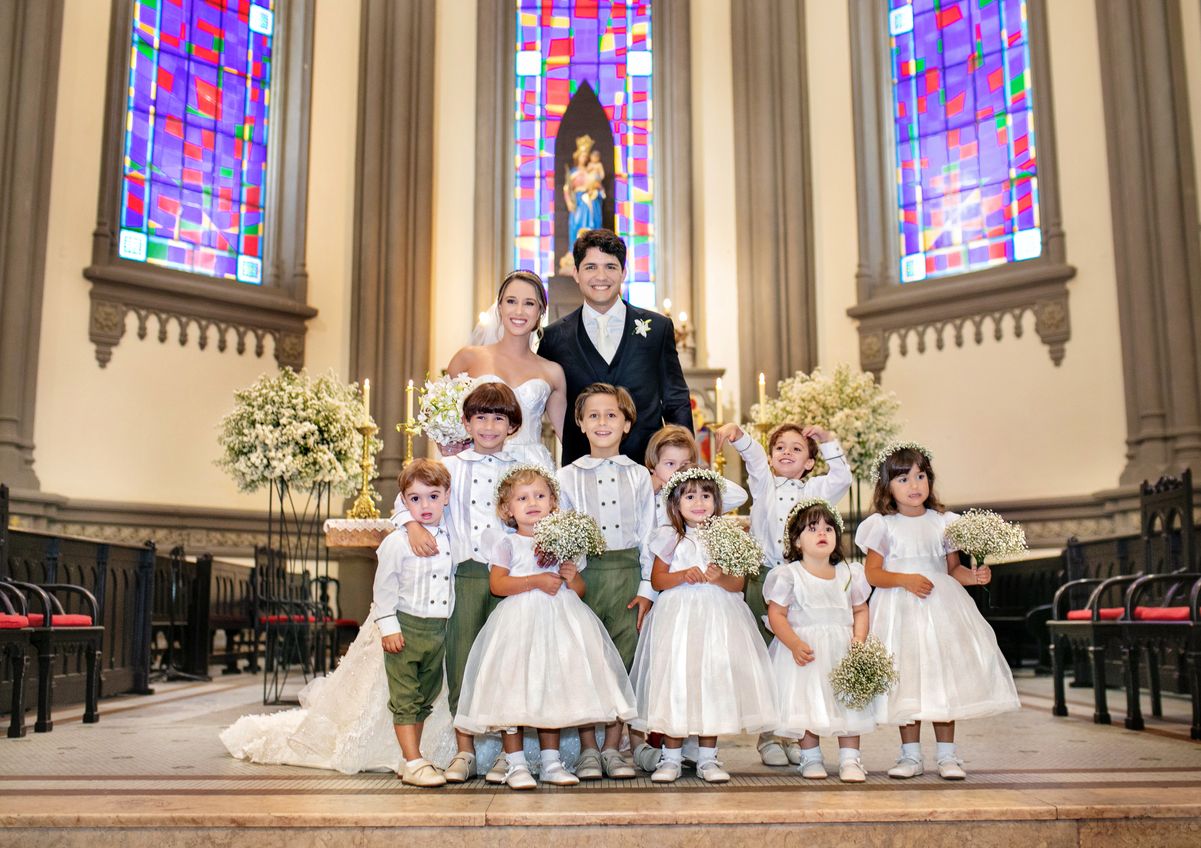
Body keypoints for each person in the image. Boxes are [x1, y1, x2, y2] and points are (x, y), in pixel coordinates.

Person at [453, 464, 636, 789]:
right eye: (522, 498)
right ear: (507, 509)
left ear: (553, 502)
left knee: (552, 690)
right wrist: (536, 580)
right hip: (519, 624)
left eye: (539, 495)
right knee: (513, 691)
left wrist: (571, 576)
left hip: (559, 623)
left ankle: (551, 763)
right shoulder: (506, 543)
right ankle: (516, 764)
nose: (532, 502)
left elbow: (579, 591)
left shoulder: (564, 544)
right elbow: (498, 585)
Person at [855, 442, 1020, 781]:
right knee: (907, 681)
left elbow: (952, 570)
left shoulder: (944, 523)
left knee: (943, 678)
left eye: (920, 477)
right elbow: (873, 574)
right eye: (903, 479)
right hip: (900, 609)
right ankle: (910, 756)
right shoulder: (882, 525)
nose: (914, 486)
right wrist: (905, 580)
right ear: (887, 486)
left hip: (941, 609)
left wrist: (974, 577)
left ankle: (947, 755)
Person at [391, 382, 523, 782]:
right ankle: (465, 750)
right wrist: (413, 526)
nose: (489, 426)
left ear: (512, 425)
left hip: (513, 575)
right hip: (465, 573)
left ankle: (509, 752)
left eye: (498, 418)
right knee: (461, 659)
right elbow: (404, 501)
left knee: (507, 659)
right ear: (466, 423)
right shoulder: (450, 466)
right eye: (480, 417)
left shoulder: (521, 467)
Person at [629, 466, 778, 784]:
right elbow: (658, 579)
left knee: (712, 682)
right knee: (676, 682)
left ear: (717, 501)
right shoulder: (670, 537)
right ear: (675, 503)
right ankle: (670, 758)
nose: (699, 502)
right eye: (690, 496)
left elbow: (737, 584)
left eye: (706, 495)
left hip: (716, 619)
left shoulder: (726, 537)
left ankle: (708, 758)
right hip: (678, 619)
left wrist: (719, 577)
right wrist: (683, 575)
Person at [714, 420, 851, 766]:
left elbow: (842, 478)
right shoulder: (764, 483)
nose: (786, 452)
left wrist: (828, 441)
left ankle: (794, 734)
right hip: (763, 577)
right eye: (780, 448)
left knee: (794, 658)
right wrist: (739, 437)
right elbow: (753, 457)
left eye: (796, 448)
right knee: (765, 657)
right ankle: (768, 736)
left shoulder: (815, 490)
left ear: (809, 462)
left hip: (801, 579)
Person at [555, 383, 656, 780]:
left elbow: (649, 535)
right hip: (585, 577)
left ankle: (613, 747)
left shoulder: (640, 476)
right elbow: (561, 531)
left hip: (628, 576)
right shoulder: (566, 477)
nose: (602, 422)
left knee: (623, 661)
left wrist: (646, 588)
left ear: (627, 423)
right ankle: (588, 749)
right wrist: (570, 576)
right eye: (593, 415)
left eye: (612, 415)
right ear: (580, 423)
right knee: (586, 660)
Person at [539, 229, 692, 466]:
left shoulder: (658, 329)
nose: (601, 276)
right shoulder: (553, 337)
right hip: (582, 470)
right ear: (576, 273)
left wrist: (682, 465)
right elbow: (543, 404)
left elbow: (675, 400)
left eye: (610, 267)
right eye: (591, 267)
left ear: (624, 272)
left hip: (647, 469)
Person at [766, 498, 874, 784]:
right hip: (807, 652)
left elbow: (860, 609)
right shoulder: (789, 575)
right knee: (807, 703)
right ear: (797, 541)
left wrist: (859, 639)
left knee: (849, 705)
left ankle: (850, 759)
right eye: (812, 529)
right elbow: (776, 614)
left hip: (842, 650)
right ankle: (810, 757)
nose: (822, 533)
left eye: (828, 528)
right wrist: (793, 643)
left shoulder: (849, 573)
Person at [373, 460, 456, 787]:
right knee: (405, 695)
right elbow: (384, 587)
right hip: (405, 629)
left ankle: (411, 757)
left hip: (438, 630)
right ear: (404, 501)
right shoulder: (398, 542)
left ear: (446, 496)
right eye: (415, 498)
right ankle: (413, 761)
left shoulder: (451, 537)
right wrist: (388, 626)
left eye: (433, 496)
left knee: (424, 695)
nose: (425, 505)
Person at [451, 269, 568, 471]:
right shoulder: (467, 359)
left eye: (529, 303)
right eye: (511, 301)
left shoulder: (553, 372)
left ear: (541, 311)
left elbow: (569, 438)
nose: (519, 311)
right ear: (500, 307)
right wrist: (446, 442)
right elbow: (444, 418)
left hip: (531, 470)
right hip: (479, 466)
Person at [645, 424, 748, 527]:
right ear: (652, 467)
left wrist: (701, 475)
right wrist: (646, 486)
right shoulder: (646, 494)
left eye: (685, 464)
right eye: (670, 464)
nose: (678, 471)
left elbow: (740, 496)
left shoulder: (697, 493)